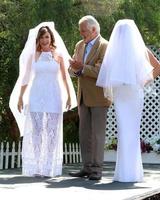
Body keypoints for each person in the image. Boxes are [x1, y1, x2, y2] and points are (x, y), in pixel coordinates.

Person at [9, 22, 77, 177]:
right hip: (36, 95)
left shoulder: (58, 55)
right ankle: (38, 165)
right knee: (37, 131)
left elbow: (65, 79)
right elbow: (25, 78)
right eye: (41, 38)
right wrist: (20, 98)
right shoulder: (33, 55)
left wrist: (68, 96)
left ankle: (48, 166)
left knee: (52, 131)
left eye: (46, 37)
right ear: (38, 40)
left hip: (54, 95)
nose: (44, 40)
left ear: (51, 37)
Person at [96, 19, 160, 182]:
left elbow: (106, 75)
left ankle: (125, 173)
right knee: (130, 130)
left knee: (125, 130)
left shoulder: (116, 51)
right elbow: (157, 67)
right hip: (132, 93)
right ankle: (131, 173)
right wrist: (143, 81)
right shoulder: (137, 50)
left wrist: (143, 81)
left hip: (124, 93)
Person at [68, 15, 112, 180]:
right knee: (84, 134)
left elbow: (102, 71)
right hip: (82, 97)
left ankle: (97, 170)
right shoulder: (79, 45)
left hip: (99, 97)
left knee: (97, 135)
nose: (81, 34)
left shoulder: (105, 46)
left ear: (94, 30)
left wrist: (82, 68)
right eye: (80, 31)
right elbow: (71, 70)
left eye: (84, 31)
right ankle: (86, 167)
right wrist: (74, 69)